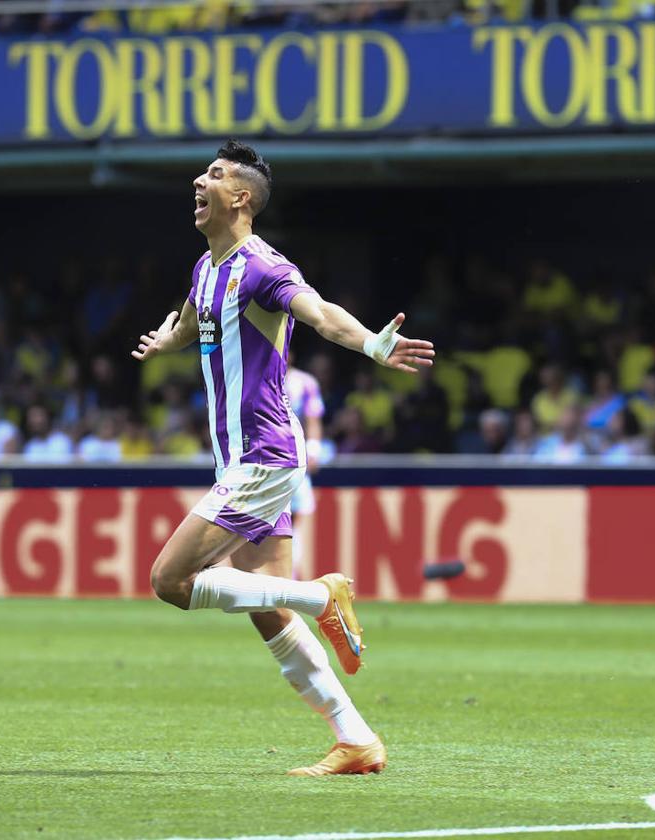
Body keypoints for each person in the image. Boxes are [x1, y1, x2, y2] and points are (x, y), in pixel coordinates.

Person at [131, 140, 435, 776]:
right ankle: (356, 739)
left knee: (169, 581)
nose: (198, 180)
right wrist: (166, 342)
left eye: (213, 175)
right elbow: (193, 323)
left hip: (262, 454)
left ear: (240, 198)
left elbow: (320, 315)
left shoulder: (265, 268)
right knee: (263, 608)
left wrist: (375, 347)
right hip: (240, 457)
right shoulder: (205, 268)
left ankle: (321, 595)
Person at [285, 355, 324, 574]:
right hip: (266, 460)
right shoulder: (257, 376)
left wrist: (314, 450)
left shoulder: (304, 382)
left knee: (292, 524)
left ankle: (289, 577)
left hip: (295, 460)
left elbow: (313, 418)